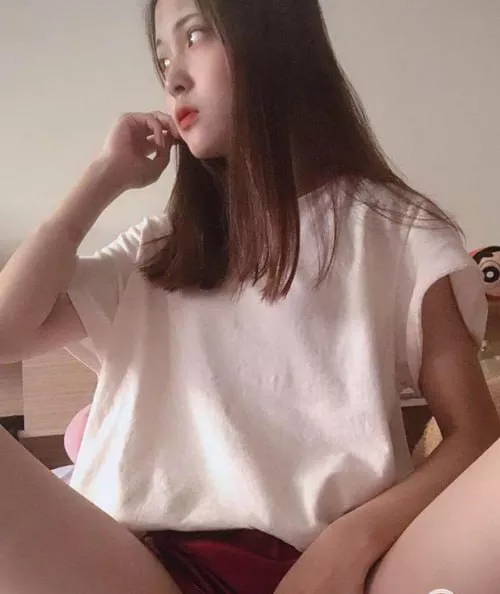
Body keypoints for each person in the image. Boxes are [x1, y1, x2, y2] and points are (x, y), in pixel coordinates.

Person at [0, 0, 499, 593]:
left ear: (272, 34)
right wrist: (103, 177)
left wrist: (350, 542)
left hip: (340, 569)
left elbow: (474, 433)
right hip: (144, 571)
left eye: (194, 37)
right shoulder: (159, 250)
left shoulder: (397, 228)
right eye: (162, 59)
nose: (173, 76)